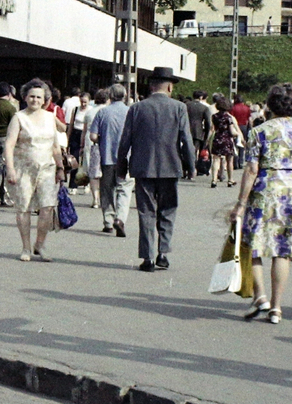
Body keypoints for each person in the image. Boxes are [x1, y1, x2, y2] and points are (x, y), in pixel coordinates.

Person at [229, 82, 292, 325]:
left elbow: (251, 169)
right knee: (282, 251)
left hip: (265, 191)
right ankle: (276, 309)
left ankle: (261, 297)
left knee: (254, 246)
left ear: (270, 104)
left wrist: (240, 203)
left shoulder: (259, 131)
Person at [115, 66, 196, 272]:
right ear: (169, 87)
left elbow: (125, 140)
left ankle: (148, 257)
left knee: (146, 212)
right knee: (168, 210)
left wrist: (121, 166)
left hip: (143, 167)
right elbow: (186, 140)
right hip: (170, 167)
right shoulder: (179, 108)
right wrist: (191, 165)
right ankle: (163, 253)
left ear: (151, 86)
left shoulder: (137, 108)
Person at [4, 80, 68, 261]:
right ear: (25, 98)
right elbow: (9, 145)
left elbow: (55, 147)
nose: (35, 100)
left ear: (45, 100)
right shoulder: (19, 118)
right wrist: (10, 169)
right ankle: (26, 248)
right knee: (23, 208)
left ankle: (40, 244)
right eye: (31, 96)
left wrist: (61, 167)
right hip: (23, 169)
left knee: (47, 208)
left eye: (39, 97)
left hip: (47, 169)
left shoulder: (50, 118)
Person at [88, 83, 132, 236]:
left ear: (110, 96)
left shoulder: (102, 112)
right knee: (124, 190)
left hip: (106, 157)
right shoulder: (130, 112)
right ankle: (120, 219)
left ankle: (108, 221)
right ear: (125, 96)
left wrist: (102, 139)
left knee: (107, 190)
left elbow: (93, 135)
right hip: (126, 158)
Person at [81, 88, 109, 210]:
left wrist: (81, 146)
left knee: (93, 172)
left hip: (90, 141)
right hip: (106, 142)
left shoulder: (89, 112)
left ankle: (95, 199)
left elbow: (84, 130)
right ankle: (104, 197)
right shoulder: (108, 111)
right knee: (105, 171)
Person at [210, 94, 241, 188]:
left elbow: (212, 129)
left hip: (217, 138)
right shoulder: (229, 117)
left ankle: (214, 179)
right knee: (229, 160)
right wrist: (237, 134)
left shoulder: (214, 116)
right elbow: (232, 131)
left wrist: (208, 140)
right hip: (227, 140)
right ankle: (230, 179)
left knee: (216, 159)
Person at [185, 89, 212, 175]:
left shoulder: (186, 105)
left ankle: (185, 169)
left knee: (184, 150)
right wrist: (207, 134)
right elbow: (208, 122)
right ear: (201, 97)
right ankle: (192, 170)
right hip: (198, 131)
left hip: (186, 129)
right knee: (194, 151)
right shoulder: (204, 108)